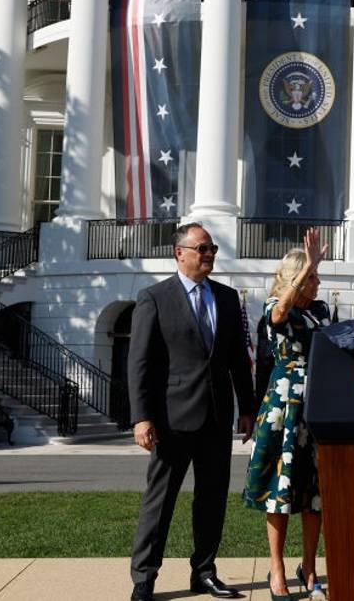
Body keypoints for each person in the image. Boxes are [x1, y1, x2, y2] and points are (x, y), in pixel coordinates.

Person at [128, 223, 256, 600]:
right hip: (171, 419)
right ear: (179, 253)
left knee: (212, 499)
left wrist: (246, 409)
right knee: (160, 501)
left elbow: (236, 361)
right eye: (201, 248)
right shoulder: (154, 297)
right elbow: (140, 363)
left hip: (217, 418)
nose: (209, 254)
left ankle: (204, 572)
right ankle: (144, 579)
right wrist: (142, 417)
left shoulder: (228, 298)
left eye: (212, 248)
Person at [243, 230, 331, 601]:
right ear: (295, 276)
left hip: (318, 409)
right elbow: (280, 313)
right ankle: (277, 570)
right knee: (279, 493)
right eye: (312, 276)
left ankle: (309, 566)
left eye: (316, 275)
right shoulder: (275, 306)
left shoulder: (319, 312)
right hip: (284, 409)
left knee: (315, 495)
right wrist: (306, 264)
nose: (318, 281)